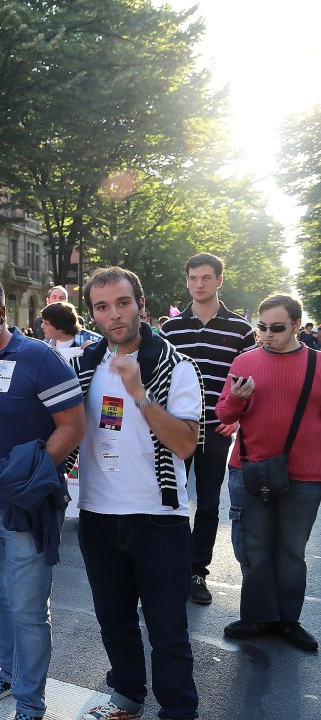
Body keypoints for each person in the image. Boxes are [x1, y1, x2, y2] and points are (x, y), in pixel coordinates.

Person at [70, 267, 203, 720]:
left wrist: (139, 393)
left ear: (141, 305)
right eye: (102, 307)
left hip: (158, 518)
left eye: (123, 303)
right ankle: (126, 697)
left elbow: (185, 443)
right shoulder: (83, 365)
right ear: (93, 314)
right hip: (97, 514)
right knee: (115, 621)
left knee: (168, 631)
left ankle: (179, 711)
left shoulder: (175, 366)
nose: (114, 314)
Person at [0, 272, 85, 720]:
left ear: (1, 311)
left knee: (29, 611)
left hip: (28, 510)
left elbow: (73, 425)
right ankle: (9, 673)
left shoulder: (38, 357)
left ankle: (30, 703)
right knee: (0, 599)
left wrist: (33, 477)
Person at [216, 293, 321, 653]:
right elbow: (224, 415)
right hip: (250, 468)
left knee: (291, 551)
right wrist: (237, 398)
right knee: (254, 549)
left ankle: (288, 620)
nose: (267, 334)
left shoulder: (317, 364)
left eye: (276, 327)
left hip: (305, 475)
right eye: (261, 327)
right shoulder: (245, 361)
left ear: (296, 326)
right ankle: (257, 616)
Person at [160, 253, 255, 605]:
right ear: (187, 281)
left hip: (216, 430)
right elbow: (160, 378)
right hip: (176, 429)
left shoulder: (241, 329)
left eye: (206, 277)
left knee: (209, 505)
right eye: (193, 278)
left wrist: (238, 417)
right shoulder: (171, 329)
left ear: (219, 280)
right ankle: (170, 568)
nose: (198, 284)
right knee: (169, 501)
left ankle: (197, 571)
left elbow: (251, 380)